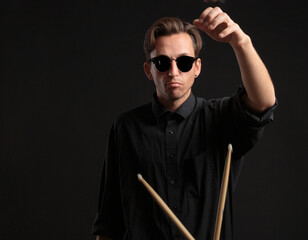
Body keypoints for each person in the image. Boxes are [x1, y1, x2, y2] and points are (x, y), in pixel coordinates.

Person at [92, 7, 277, 240]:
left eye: (184, 62)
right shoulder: (126, 128)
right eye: (162, 62)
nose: (173, 72)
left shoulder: (220, 117)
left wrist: (241, 42)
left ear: (197, 67)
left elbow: (264, 102)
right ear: (149, 70)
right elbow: (109, 222)